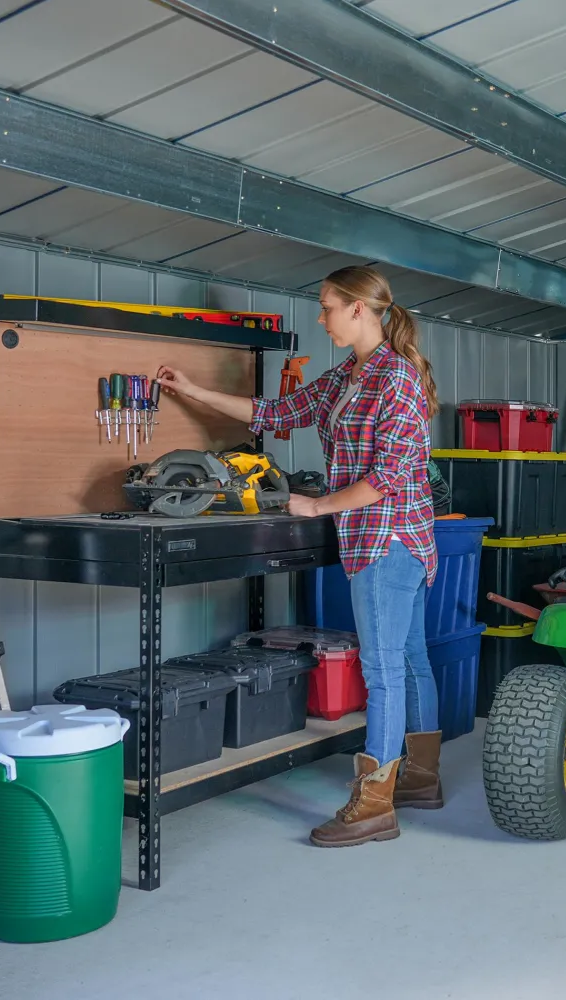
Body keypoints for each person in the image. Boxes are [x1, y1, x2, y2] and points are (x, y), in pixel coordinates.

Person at [155, 265, 443, 849]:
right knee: (408, 657)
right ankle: (420, 778)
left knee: (384, 671)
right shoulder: (347, 378)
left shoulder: (399, 381)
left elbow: (386, 478)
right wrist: (192, 390)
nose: (321, 317)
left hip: (390, 538)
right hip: (380, 537)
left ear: (359, 310)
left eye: (327, 306)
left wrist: (318, 507)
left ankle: (374, 805)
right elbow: (275, 415)